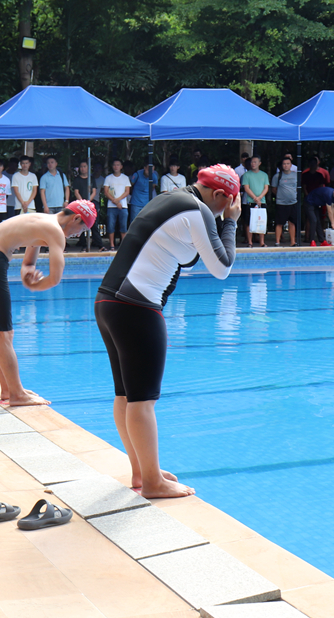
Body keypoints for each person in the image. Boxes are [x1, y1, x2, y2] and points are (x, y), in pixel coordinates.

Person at [96, 165, 240, 498]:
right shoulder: (197, 209)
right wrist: (231, 221)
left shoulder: (170, 198)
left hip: (108, 303)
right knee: (143, 400)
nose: (225, 210)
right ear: (220, 195)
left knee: (126, 395)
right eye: (227, 202)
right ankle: (152, 483)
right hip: (136, 307)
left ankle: (141, 472)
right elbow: (222, 267)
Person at [0, 199, 97, 405]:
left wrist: (27, 274)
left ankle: (7, 389)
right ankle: (17, 395)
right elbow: (56, 277)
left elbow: (27, 263)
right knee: (4, 333)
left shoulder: (43, 222)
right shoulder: (55, 230)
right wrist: (35, 286)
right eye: (83, 228)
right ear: (76, 217)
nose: (80, 234)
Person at [72, 159, 102, 251]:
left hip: (90, 204)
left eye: (85, 166)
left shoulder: (91, 178)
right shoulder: (77, 180)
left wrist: (88, 201)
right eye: (81, 167)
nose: (83, 168)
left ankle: (100, 245)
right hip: (80, 204)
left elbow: (94, 191)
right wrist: (82, 203)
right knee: (81, 224)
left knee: (93, 224)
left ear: (88, 168)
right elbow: (76, 192)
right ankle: (83, 245)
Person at [103, 158, 131, 251]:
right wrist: (115, 201)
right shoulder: (108, 178)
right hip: (111, 206)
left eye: (118, 165)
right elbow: (106, 192)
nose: (116, 167)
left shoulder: (125, 178)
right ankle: (112, 245)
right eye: (114, 165)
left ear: (121, 167)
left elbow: (127, 191)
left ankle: (123, 245)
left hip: (123, 206)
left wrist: (118, 200)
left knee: (123, 226)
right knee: (111, 226)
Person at [242, 155, 269, 247]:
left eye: (255, 162)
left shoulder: (264, 175)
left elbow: (266, 188)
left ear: (259, 163)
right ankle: (250, 242)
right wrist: (255, 198)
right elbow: (246, 188)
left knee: (262, 221)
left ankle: (262, 242)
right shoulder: (246, 175)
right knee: (249, 222)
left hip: (262, 201)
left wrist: (260, 197)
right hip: (250, 201)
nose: (253, 164)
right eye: (252, 162)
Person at [271, 156, 298, 247]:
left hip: (293, 202)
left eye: (288, 164)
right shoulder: (277, 176)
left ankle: (293, 242)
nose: (286, 166)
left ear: (291, 165)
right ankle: (277, 242)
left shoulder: (296, 175)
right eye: (284, 164)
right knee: (279, 223)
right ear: (282, 165)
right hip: (281, 203)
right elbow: (274, 189)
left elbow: (297, 188)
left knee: (292, 222)